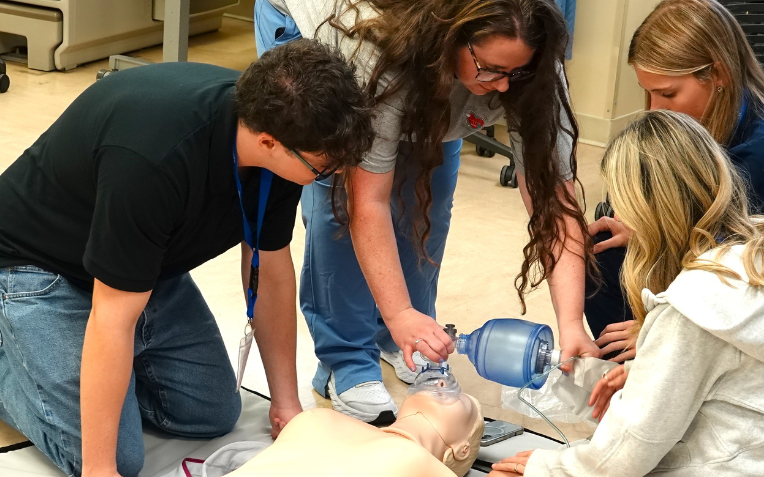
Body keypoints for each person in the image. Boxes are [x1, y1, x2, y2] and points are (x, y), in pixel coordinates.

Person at [0, 39, 374, 477]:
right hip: (37, 268)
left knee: (211, 413)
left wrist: (287, 404)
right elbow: (113, 316)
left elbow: (268, 269)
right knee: (115, 457)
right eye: (325, 168)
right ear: (269, 142)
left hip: (144, 267)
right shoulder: (152, 160)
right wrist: (100, 470)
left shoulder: (290, 132)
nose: (333, 174)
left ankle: (75, 368)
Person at [255, 0, 600, 423]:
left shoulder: (534, 67)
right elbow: (368, 203)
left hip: (426, 68)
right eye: (491, 69)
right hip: (322, 26)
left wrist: (571, 323)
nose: (505, 87)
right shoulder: (370, 50)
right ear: (452, 37)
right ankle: (345, 362)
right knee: (339, 206)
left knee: (426, 204)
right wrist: (399, 312)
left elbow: (555, 205)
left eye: (516, 72)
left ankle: (402, 338)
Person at [489, 110, 764, 476]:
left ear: (646, 209)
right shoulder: (750, 252)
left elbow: (626, 455)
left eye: (621, 205)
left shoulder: (694, 306)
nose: (616, 216)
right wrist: (648, 367)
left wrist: (549, 468)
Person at [585, 0, 764, 362]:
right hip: (704, 250)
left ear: (719, 74)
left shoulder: (755, 154)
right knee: (601, 255)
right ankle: (634, 376)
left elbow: (738, 273)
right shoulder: (694, 130)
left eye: (667, 94)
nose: (654, 107)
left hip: (741, 283)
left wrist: (663, 327)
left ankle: (660, 370)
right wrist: (643, 228)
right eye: (647, 91)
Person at [226, 384, 484, 476]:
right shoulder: (328, 418)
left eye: (461, 399)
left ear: (461, 450)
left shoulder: (424, 464)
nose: (442, 382)